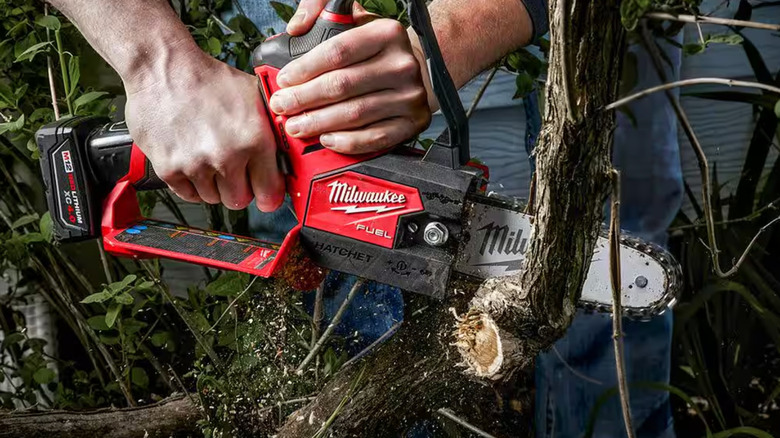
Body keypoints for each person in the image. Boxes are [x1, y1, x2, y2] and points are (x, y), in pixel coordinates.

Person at [52, 0, 680, 436]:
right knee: (359, 328)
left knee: (621, 248)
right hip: (307, 32)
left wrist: (451, 36)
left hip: (594, 15)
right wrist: (158, 62)